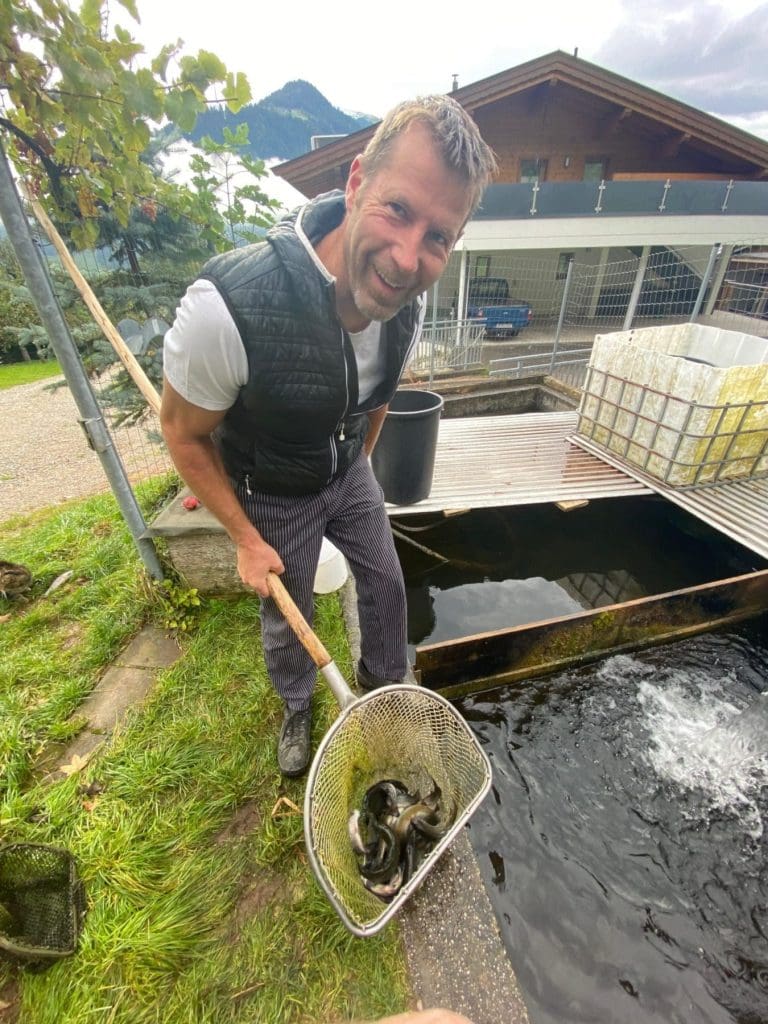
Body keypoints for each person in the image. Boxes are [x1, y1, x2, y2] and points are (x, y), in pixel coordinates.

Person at [160, 95, 497, 777]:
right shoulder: (228, 307)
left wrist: (359, 470)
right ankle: (296, 705)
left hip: (347, 472)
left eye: (438, 236)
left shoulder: (409, 306)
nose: (408, 258)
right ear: (354, 183)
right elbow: (182, 434)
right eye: (398, 210)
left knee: (387, 585)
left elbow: (379, 395)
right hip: (275, 490)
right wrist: (248, 541)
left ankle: (382, 694)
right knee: (288, 618)